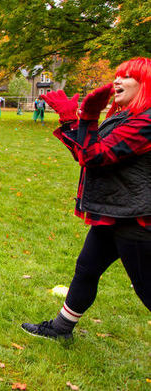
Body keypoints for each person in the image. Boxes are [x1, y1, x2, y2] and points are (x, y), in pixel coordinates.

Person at [21, 57, 151, 340]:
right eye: (117, 75)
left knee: (146, 287)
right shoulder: (123, 116)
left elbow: (96, 157)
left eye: (128, 76)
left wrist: (85, 117)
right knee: (86, 270)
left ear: (145, 84)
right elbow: (85, 153)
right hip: (113, 210)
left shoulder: (147, 121)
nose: (117, 81)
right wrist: (73, 121)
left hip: (135, 219)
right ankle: (60, 329)